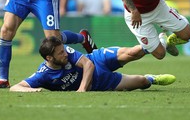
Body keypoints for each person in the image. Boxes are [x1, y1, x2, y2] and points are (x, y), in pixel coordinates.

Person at [9, 36, 176, 92]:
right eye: (60, 53)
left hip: (97, 59)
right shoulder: (44, 74)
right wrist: (33, 90)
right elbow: (14, 87)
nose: (65, 53)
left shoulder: (66, 51)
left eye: (63, 49)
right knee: (141, 82)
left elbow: (88, 64)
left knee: (132, 53)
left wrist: (81, 89)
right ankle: (152, 78)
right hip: (100, 83)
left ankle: (159, 43)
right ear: (49, 58)